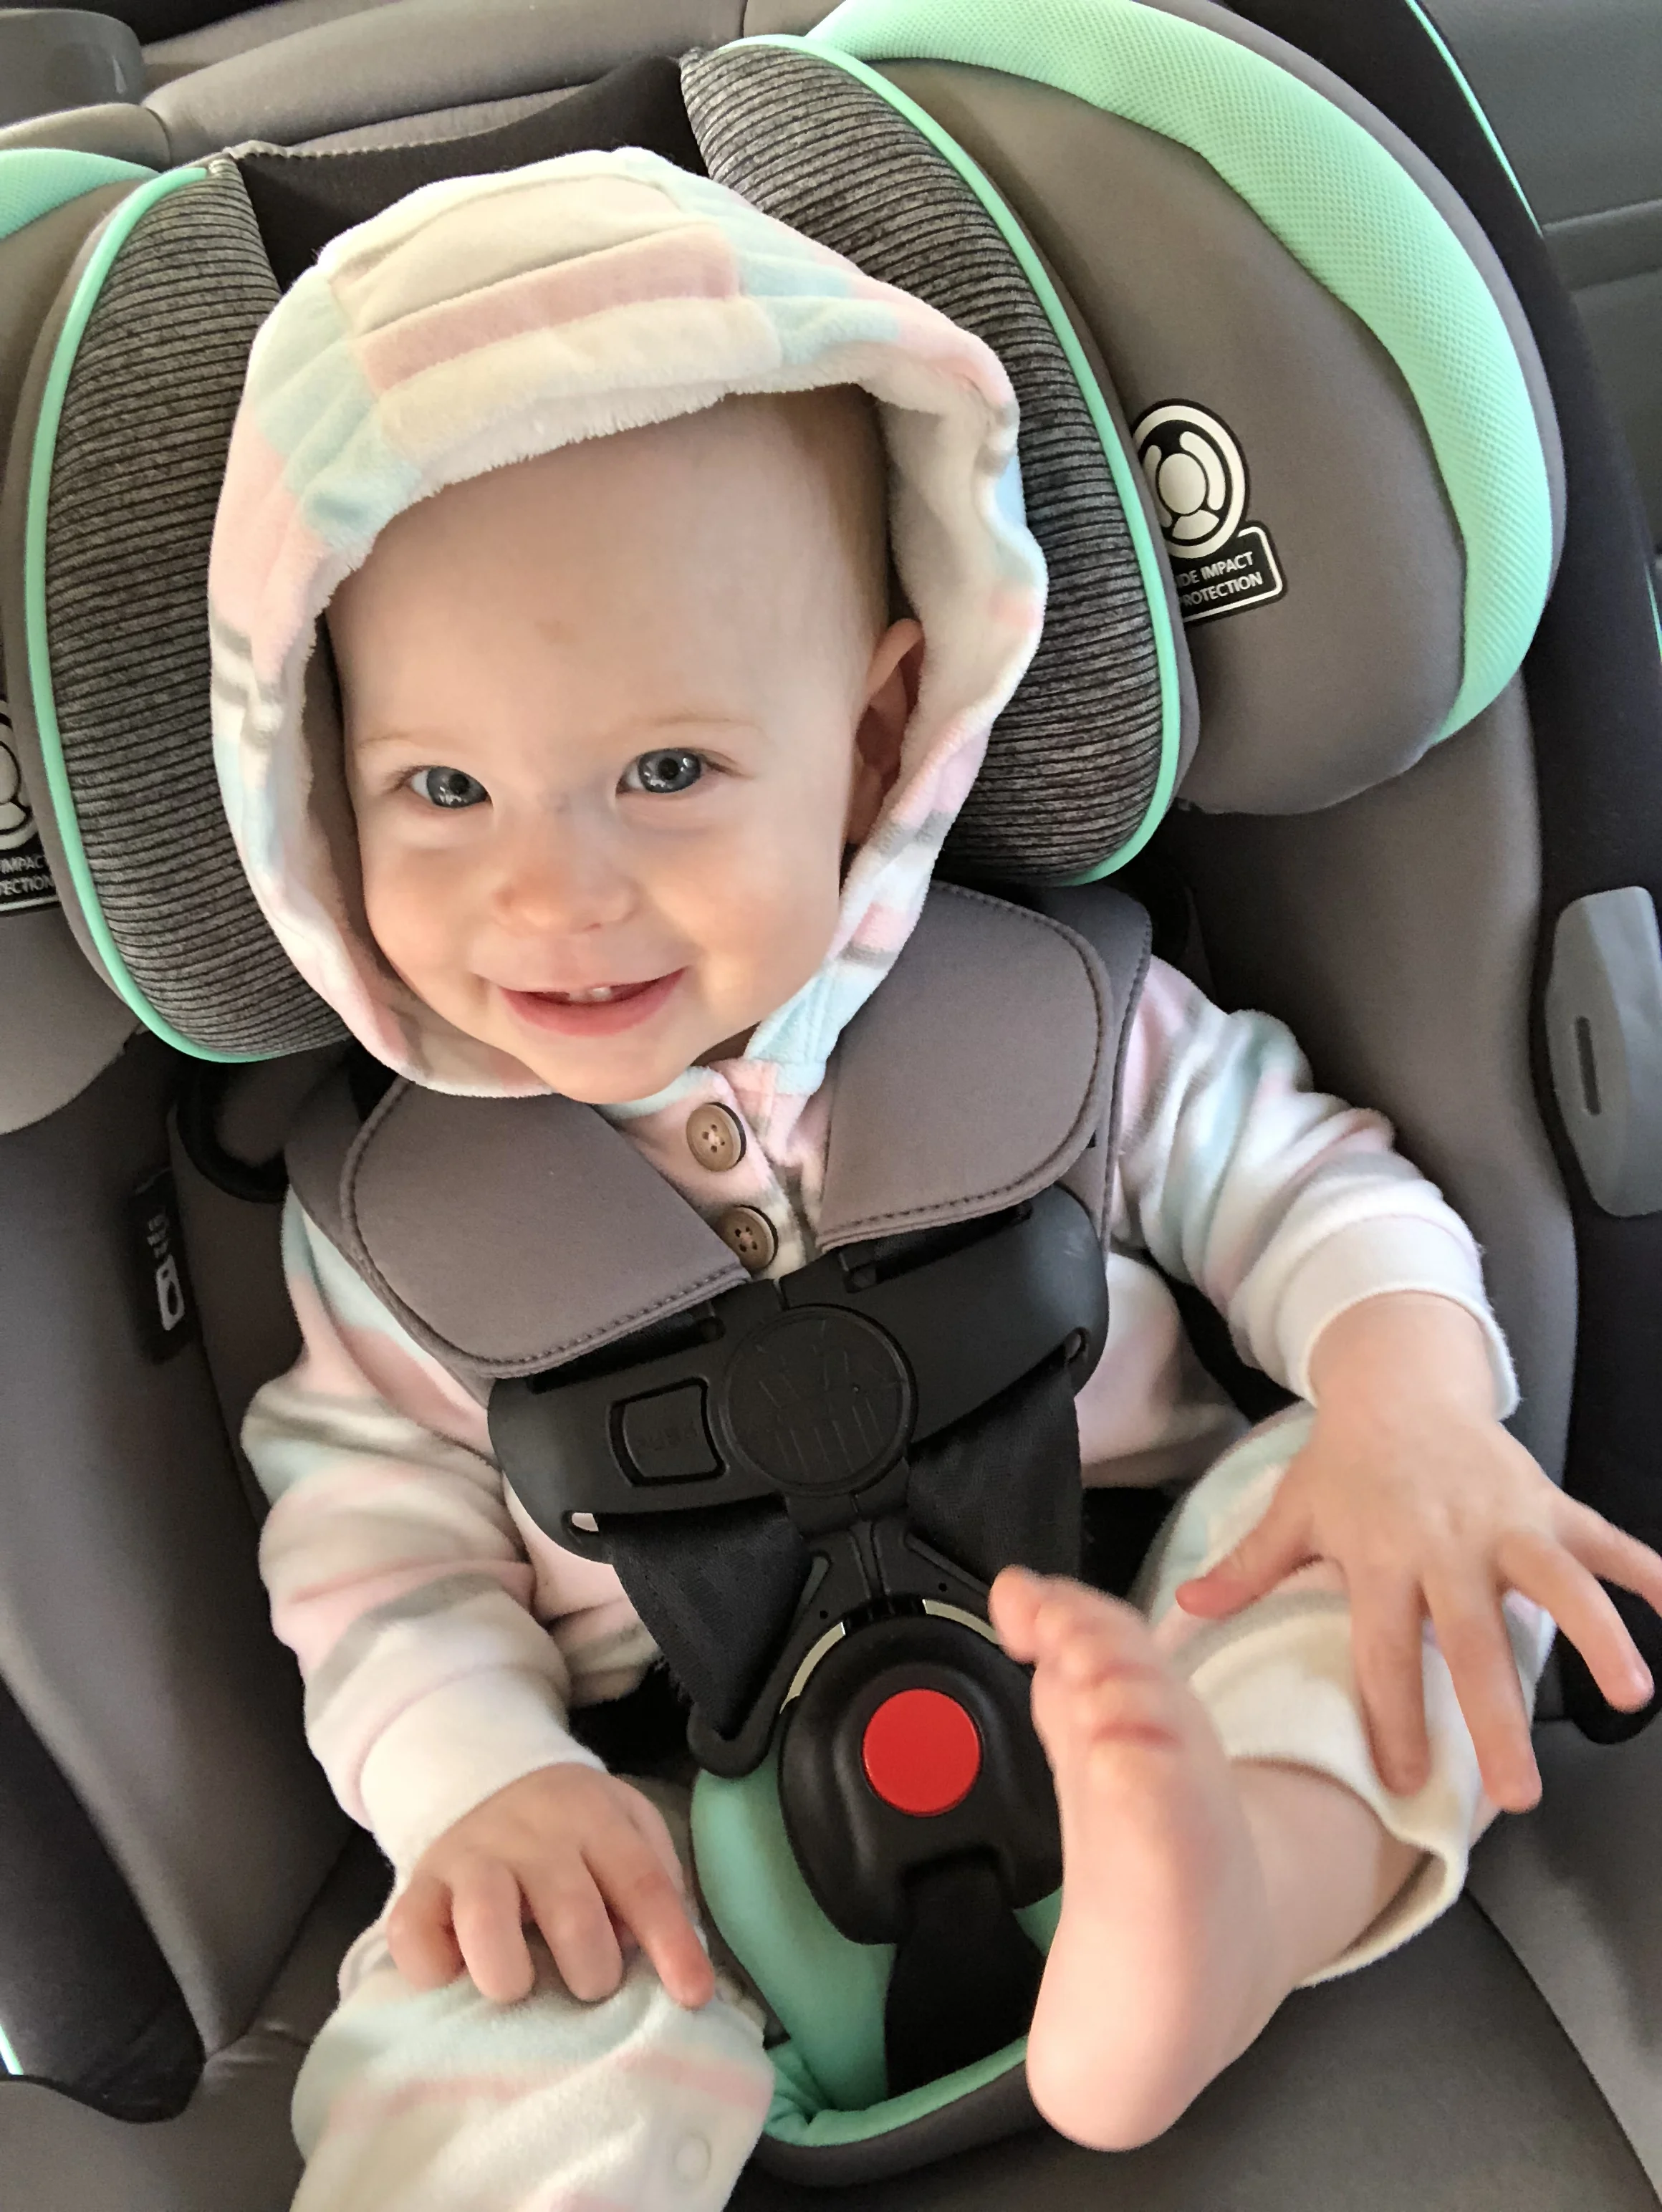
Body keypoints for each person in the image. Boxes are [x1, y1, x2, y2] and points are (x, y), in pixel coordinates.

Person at [208, 151, 1662, 2211]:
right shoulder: (393, 1235)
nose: (553, 893)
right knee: (464, 1996)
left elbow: (1304, 1182)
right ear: (315, 793)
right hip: (679, 1845)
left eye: (666, 774)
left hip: (1156, 1643)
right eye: (442, 790)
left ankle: (1225, 1906)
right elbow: (376, 1569)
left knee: (1403, 1558)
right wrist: (489, 1787)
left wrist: (1408, 1400)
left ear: (879, 736)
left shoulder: (1045, 1023)